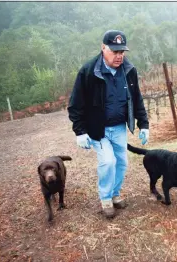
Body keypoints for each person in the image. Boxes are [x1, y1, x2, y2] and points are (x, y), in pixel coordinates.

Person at [67, 30, 149, 219]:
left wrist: (143, 124)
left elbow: (137, 99)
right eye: (114, 51)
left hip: (119, 126)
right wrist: (80, 131)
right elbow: (75, 105)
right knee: (107, 161)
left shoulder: (129, 71)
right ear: (103, 48)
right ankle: (105, 198)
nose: (119, 56)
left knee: (121, 162)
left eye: (122, 52)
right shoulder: (88, 72)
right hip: (98, 129)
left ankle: (114, 194)